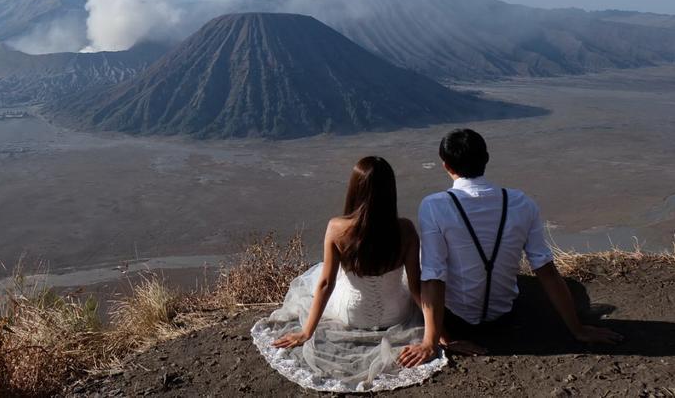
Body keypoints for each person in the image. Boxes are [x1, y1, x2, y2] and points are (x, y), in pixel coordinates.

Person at [398, 129, 622, 367]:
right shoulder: (521, 203)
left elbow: (434, 275)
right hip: (504, 316)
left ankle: (436, 334)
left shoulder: (434, 206)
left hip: (456, 321)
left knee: (414, 272)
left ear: (446, 166)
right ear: (486, 159)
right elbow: (546, 270)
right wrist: (577, 329)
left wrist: (431, 343)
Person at [251, 156, 447, 392]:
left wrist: (307, 331)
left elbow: (325, 283)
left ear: (355, 189)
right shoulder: (405, 229)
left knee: (322, 276)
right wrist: (435, 336)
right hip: (397, 314)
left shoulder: (337, 228)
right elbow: (416, 288)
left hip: (352, 315)